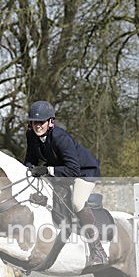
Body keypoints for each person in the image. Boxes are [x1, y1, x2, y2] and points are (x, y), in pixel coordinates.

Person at [23, 100, 107, 267]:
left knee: (77, 203)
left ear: (50, 122)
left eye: (41, 122)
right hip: (63, 172)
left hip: (84, 172)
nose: (37, 126)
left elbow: (73, 170)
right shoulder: (31, 135)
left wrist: (47, 170)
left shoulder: (60, 137)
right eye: (34, 122)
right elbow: (30, 160)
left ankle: (98, 251)